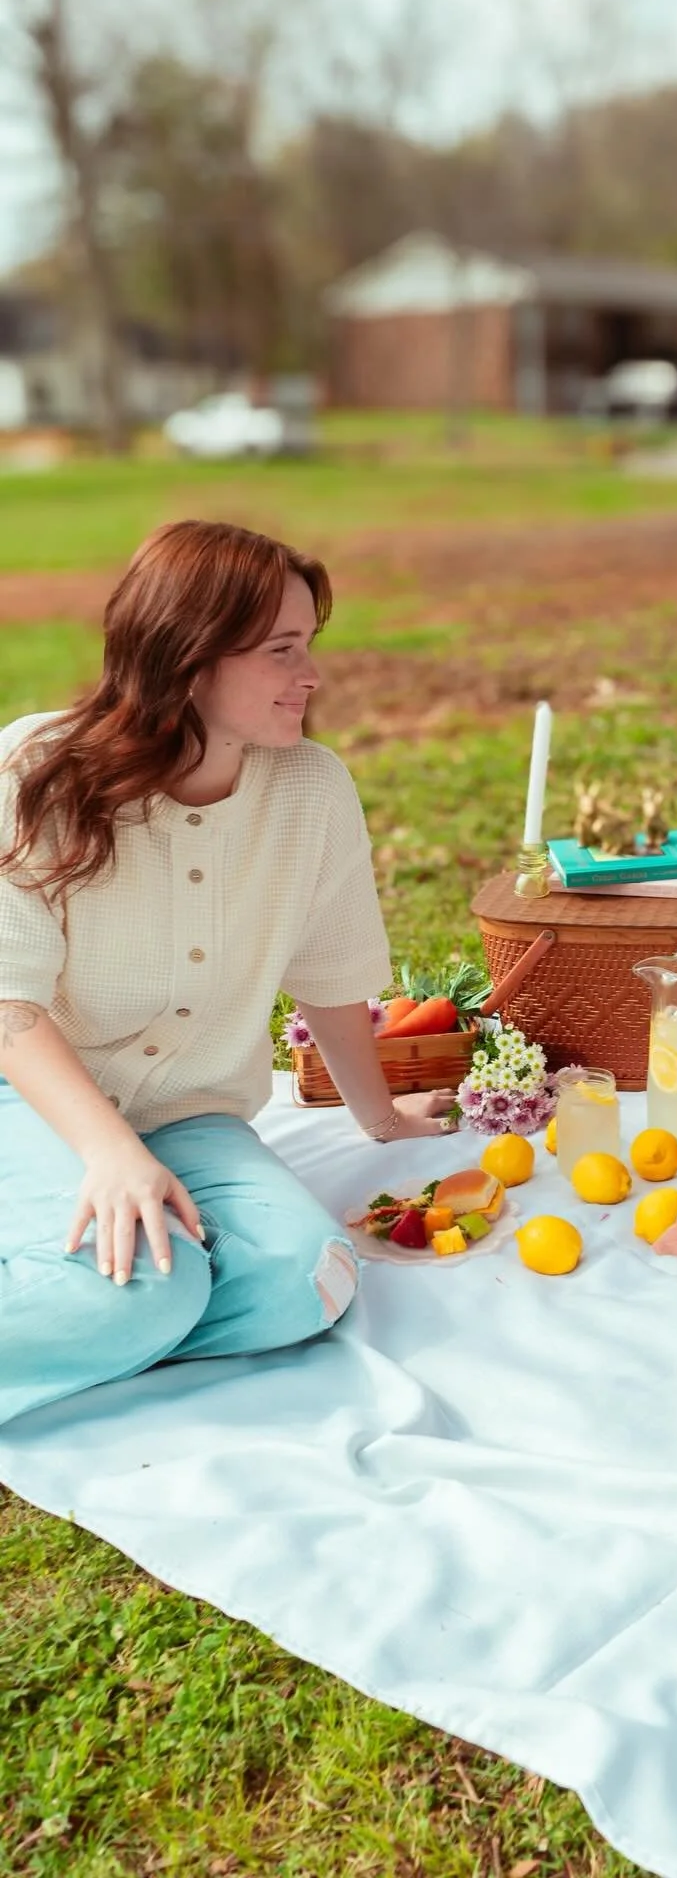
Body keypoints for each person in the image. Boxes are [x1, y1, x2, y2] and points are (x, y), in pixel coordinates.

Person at [0, 519, 457, 1426]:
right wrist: (110, 1153)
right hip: (27, 1098)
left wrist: (376, 1116)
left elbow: (330, 972)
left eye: (309, 646)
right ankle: (122, 1317)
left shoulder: (312, 788)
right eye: (283, 650)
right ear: (190, 657)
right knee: (149, 1290)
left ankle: (108, 1329)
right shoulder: (36, 769)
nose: (312, 675)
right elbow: (8, 1001)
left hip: (189, 1115)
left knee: (310, 1284)